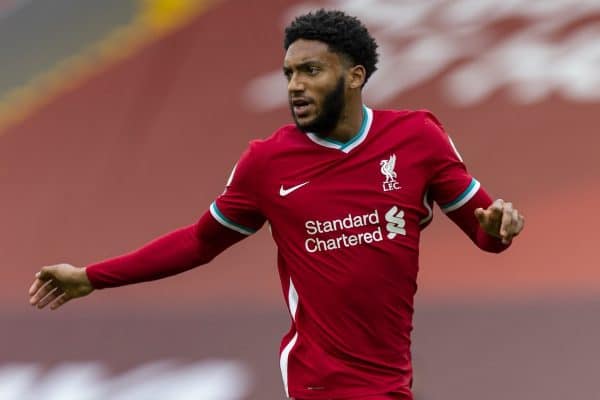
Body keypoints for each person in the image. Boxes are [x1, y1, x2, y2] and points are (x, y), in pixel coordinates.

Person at [28, 9, 524, 400]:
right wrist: (91, 276)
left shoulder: (417, 138)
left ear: (354, 76)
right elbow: (199, 242)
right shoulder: (267, 163)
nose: (294, 86)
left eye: (311, 71)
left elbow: (485, 232)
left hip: (391, 379)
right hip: (318, 381)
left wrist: (499, 228)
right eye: (289, 73)